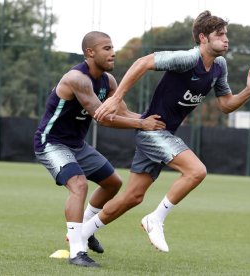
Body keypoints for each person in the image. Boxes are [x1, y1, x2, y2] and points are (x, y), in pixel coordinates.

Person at [81, 10, 250, 253]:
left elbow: (226, 105)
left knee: (132, 198)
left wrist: (248, 91)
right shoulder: (188, 59)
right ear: (203, 38)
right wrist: (117, 99)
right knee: (196, 171)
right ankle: (155, 219)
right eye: (219, 35)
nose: (226, 39)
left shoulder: (219, 66)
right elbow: (142, 62)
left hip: (160, 133)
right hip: (153, 132)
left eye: (226, 35)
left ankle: (81, 234)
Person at [33, 31, 166, 267]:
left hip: (76, 146)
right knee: (79, 185)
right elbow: (103, 117)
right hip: (51, 143)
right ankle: (76, 252)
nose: (113, 52)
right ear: (90, 53)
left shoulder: (109, 81)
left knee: (113, 183)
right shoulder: (77, 78)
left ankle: (86, 228)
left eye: (113, 47)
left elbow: (122, 112)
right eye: (106, 48)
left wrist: (155, 122)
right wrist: (142, 124)